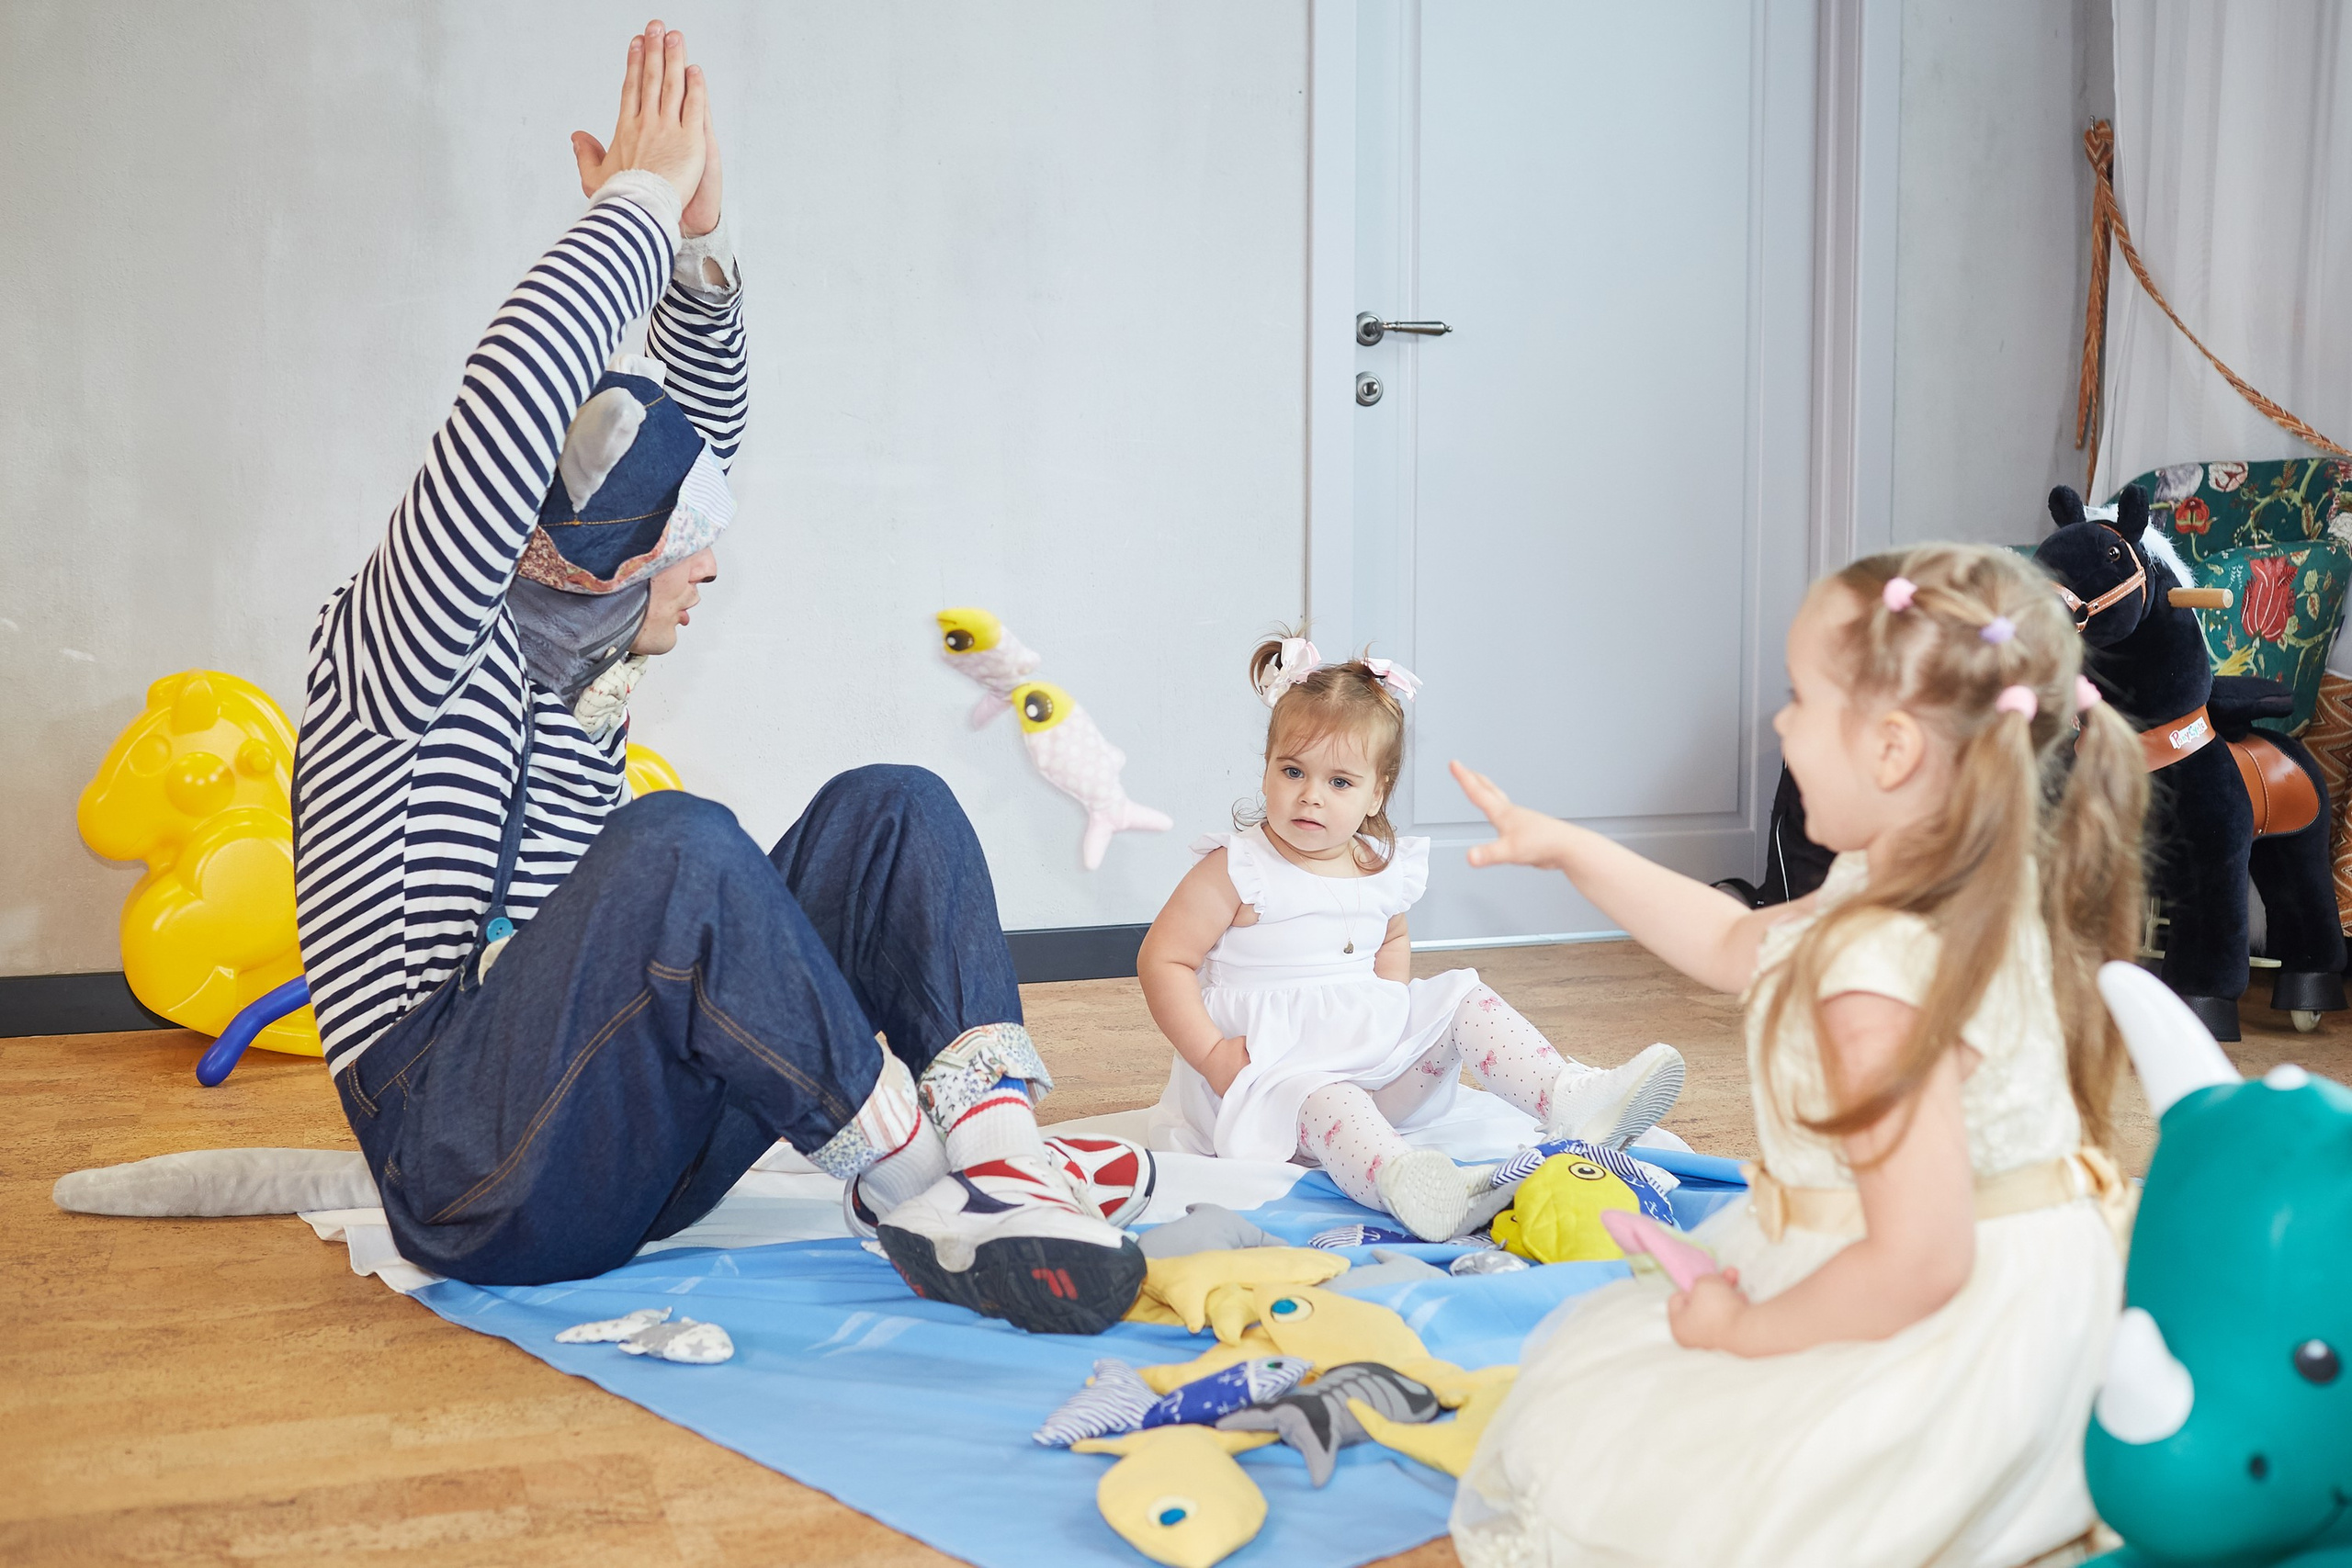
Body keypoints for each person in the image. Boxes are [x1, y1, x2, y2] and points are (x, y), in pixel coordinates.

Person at [290, 20, 1151, 1337]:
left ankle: (1000, 1157)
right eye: (682, 553)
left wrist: (694, 253)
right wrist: (632, 202)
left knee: (895, 805)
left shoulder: (581, 652)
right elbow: (514, 406)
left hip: (626, 1147)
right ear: (587, 567)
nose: (704, 575)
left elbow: (683, 443)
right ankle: (919, 1189)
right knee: (677, 845)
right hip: (470, 1170)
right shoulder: (405, 644)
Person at [1445, 545, 2145, 1567]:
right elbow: (1736, 944)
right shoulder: (1954, 877)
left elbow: (1917, 1261)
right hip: (2005, 1271)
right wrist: (1569, 849)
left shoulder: (1875, 976)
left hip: (1951, 1325)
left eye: (1799, 699)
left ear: (1894, 749)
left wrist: (1740, 1330)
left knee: (1668, 1480)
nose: (1778, 723)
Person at [1135, 634, 1686, 1241]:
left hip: (1375, 1070)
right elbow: (1163, 958)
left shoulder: (1376, 864)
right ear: (1266, 767)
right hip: (1271, 1083)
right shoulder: (1239, 866)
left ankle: (1568, 1095)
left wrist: (1392, 1014)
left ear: (1377, 792)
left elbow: (1391, 941)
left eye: (1340, 781)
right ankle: (1408, 1182)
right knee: (1328, 1096)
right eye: (1292, 770)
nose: (1311, 794)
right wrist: (1214, 1058)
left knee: (1461, 996)